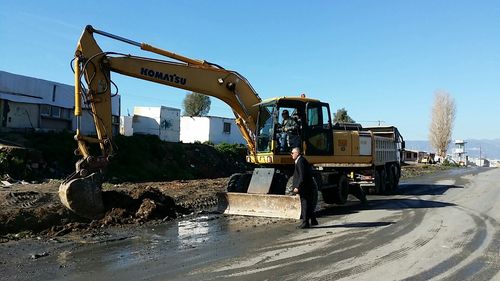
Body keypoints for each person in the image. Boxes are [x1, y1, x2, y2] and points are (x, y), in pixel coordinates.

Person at [291, 147, 318, 228]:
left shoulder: (300, 161)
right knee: (309, 203)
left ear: (297, 153)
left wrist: (297, 187)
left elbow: (302, 176)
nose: (291, 154)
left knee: (305, 204)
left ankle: (305, 223)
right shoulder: (300, 160)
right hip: (307, 186)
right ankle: (313, 220)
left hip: (305, 187)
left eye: (292, 153)